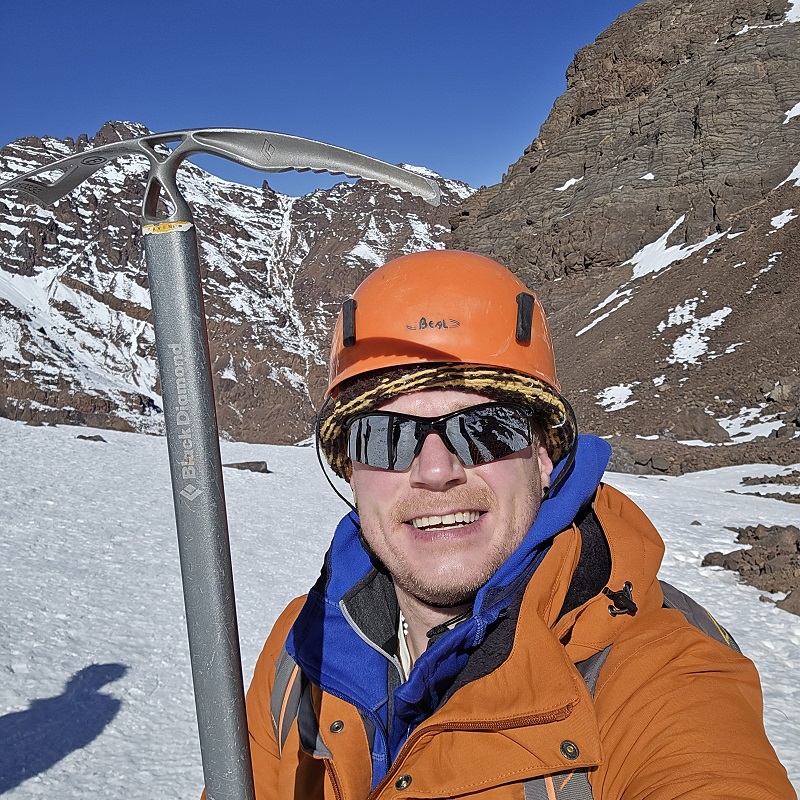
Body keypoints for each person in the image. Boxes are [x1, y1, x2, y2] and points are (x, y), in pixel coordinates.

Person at [244, 250, 794, 799]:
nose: (436, 471)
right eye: (386, 436)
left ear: (544, 454)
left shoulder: (657, 674)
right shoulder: (303, 648)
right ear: (350, 467)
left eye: (486, 428)